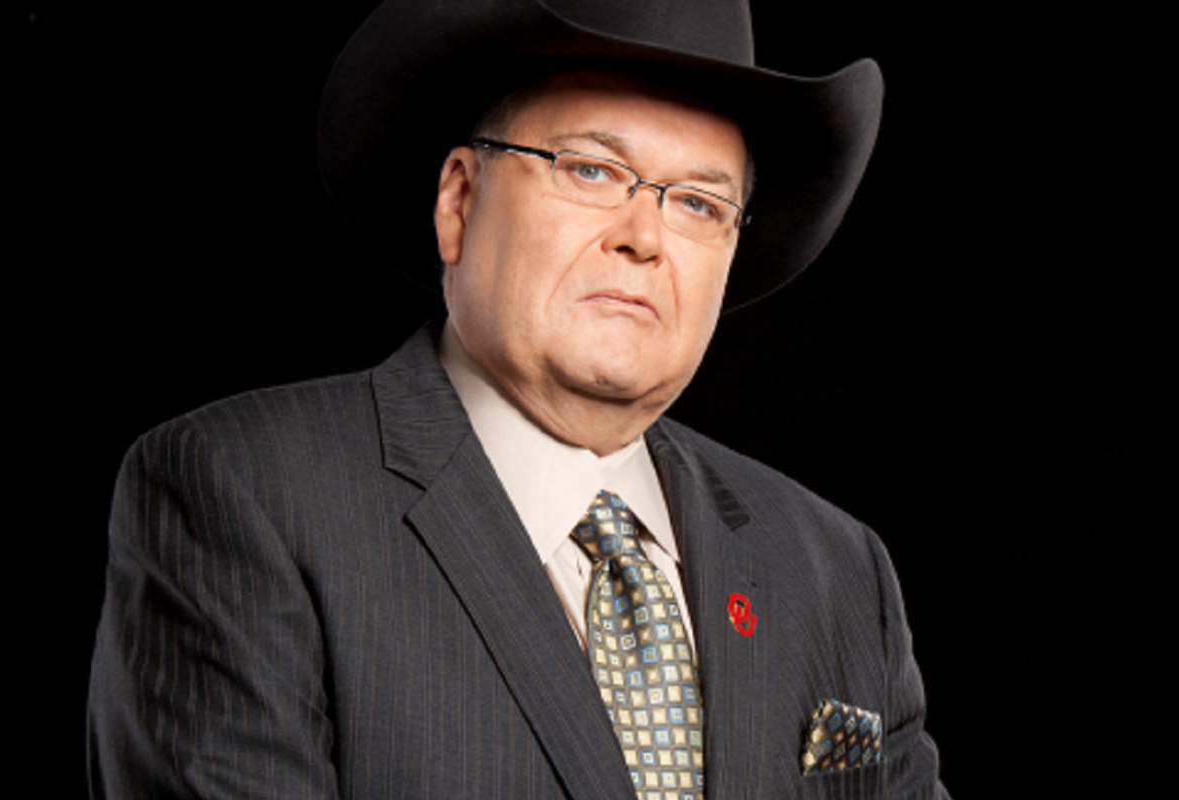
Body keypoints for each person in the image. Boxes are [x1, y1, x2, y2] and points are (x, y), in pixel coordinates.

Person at [87, 1, 949, 798]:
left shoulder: (838, 570)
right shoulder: (245, 493)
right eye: (592, 169)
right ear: (459, 199)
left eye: (698, 202)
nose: (644, 236)